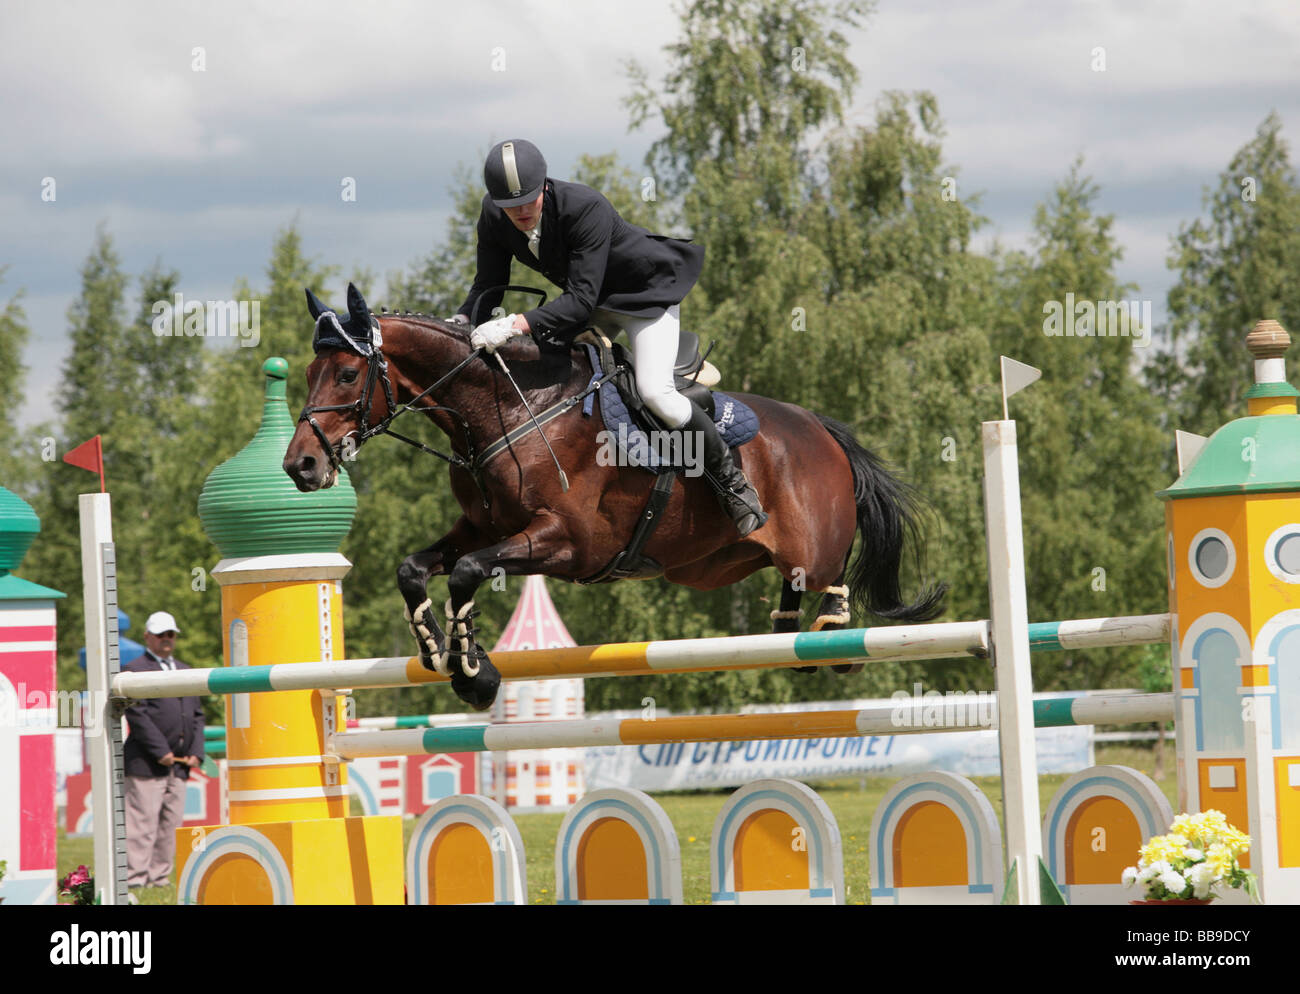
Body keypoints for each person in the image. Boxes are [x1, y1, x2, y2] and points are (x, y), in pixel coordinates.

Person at [454, 138, 768, 536]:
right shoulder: (495, 215)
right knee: (550, 371)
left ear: (544, 188)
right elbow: (489, 282)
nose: (518, 212)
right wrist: (464, 320)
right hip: (590, 300)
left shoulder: (584, 206)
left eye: (527, 201)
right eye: (508, 205)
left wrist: (515, 324)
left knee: (656, 393)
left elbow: (581, 302)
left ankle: (735, 487)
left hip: (644, 298)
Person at [121, 611, 204, 894]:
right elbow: (137, 714)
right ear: (147, 637)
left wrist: (196, 752)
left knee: (170, 825)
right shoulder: (133, 669)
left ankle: (159, 878)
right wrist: (161, 751)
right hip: (145, 762)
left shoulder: (185, 669)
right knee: (142, 824)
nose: (167, 640)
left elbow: (197, 715)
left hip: (180, 765)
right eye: (161, 635)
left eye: (171, 635)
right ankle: (135, 878)